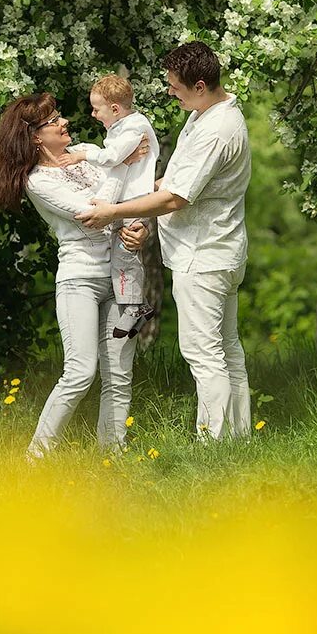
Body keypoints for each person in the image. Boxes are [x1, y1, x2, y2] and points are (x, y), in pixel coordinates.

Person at [77, 42, 251, 441]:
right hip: (216, 249)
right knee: (227, 348)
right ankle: (241, 438)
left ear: (201, 84)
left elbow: (176, 197)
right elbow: (177, 183)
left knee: (204, 354)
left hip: (204, 256)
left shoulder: (217, 129)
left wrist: (113, 212)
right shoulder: (205, 113)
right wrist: (142, 192)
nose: (170, 92)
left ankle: (213, 446)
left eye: (175, 86)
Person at [0, 92, 150, 458]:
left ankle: (113, 457)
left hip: (125, 275)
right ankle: (36, 457)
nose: (64, 122)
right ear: (36, 137)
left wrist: (140, 228)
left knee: (119, 375)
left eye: (59, 116)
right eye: (54, 120)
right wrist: (121, 166)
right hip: (81, 280)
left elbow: (130, 198)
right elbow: (92, 213)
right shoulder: (38, 182)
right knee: (80, 370)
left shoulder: (88, 150)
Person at [57, 74, 160, 339]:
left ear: (115, 109)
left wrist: (80, 155)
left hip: (135, 200)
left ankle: (135, 305)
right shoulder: (123, 126)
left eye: (96, 108)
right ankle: (135, 305)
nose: (92, 114)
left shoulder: (133, 127)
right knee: (122, 251)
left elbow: (111, 157)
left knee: (125, 253)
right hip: (126, 199)